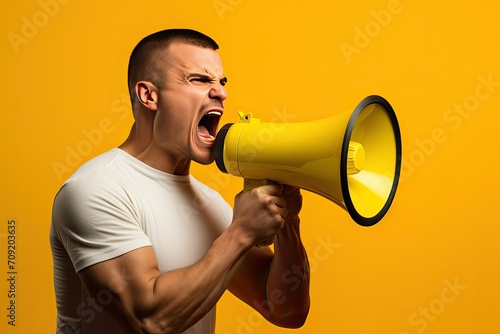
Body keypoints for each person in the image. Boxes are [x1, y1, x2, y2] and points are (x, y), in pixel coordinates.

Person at [50, 28, 310, 334]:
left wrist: (288, 222)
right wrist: (241, 233)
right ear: (148, 95)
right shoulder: (95, 189)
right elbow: (150, 320)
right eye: (199, 80)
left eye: (221, 82)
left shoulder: (210, 202)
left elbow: (285, 309)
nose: (221, 93)